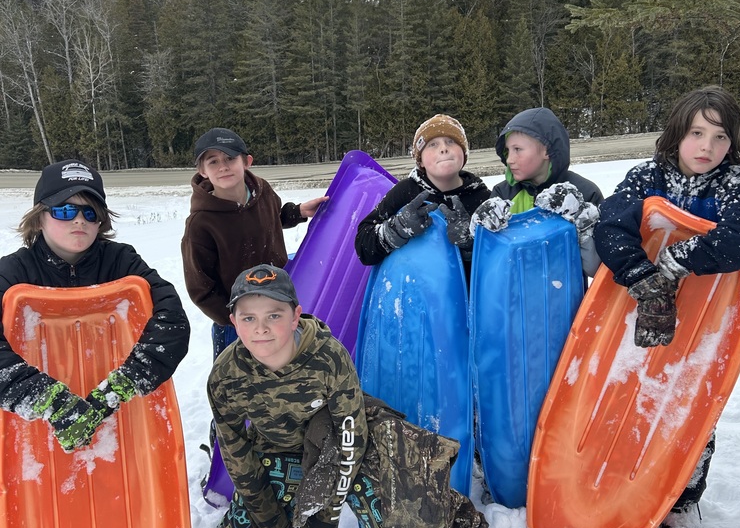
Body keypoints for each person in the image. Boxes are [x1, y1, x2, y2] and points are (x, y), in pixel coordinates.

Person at [202, 263, 507, 528]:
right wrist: (265, 513)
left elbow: (351, 435)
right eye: (248, 317)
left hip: (335, 450)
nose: (261, 328)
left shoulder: (328, 358)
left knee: (391, 516)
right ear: (233, 320)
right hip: (276, 455)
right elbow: (234, 448)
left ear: (296, 315)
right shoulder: (226, 376)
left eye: (274, 315)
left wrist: (327, 514)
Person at [593, 85, 740, 528]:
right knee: (632, 394)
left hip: (703, 324)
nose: (707, 146)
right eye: (696, 133)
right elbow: (610, 225)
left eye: (720, 137)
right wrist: (641, 275)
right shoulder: (646, 177)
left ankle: (684, 495)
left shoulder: (732, 187)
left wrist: (682, 256)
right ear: (677, 133)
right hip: (638, 317)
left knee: (693, 405)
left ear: (732, 145)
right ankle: (620, 476)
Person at [0, 160, 190, 452]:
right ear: (39, 218)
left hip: (119, 426)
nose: (79, 220)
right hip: (31, 440)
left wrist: (118, 389)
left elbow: (172, 321)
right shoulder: (12, 273)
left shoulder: (121, 263)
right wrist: (49, 400)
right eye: (64, 209)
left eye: (90, 212)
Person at [181, 127, 327, 359]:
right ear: (202, 171)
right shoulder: (201, 224)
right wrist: (236, 319)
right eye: (213, 161)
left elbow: (272, 218)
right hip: (234, 322)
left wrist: (297, 211)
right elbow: (201, 289)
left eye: (230, 158)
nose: (223, 166)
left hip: (277, 306)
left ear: (246, 161)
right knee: (237, 382)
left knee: (284, 368)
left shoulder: (262, 191)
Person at [470, 107, 604, 278]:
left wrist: (583, 225)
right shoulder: (503, 193)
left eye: (517, 149)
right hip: (514, 297)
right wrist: (480, 231)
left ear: (547, 150)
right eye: (507, 151)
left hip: (568, 298)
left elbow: (598, 270)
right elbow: (488, 262)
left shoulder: (584, 192)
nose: (510, 159)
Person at [354, 114, 491, 277]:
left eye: (451, 141)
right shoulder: (405, 192)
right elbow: (363, 248)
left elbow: (496, 264)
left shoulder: (482, 197)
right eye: (433, 144)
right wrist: (397, 229)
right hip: (411, 292)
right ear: (420, 161)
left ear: (464, 153)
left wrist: (470, 246)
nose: (444, 148)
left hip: (462, 298)